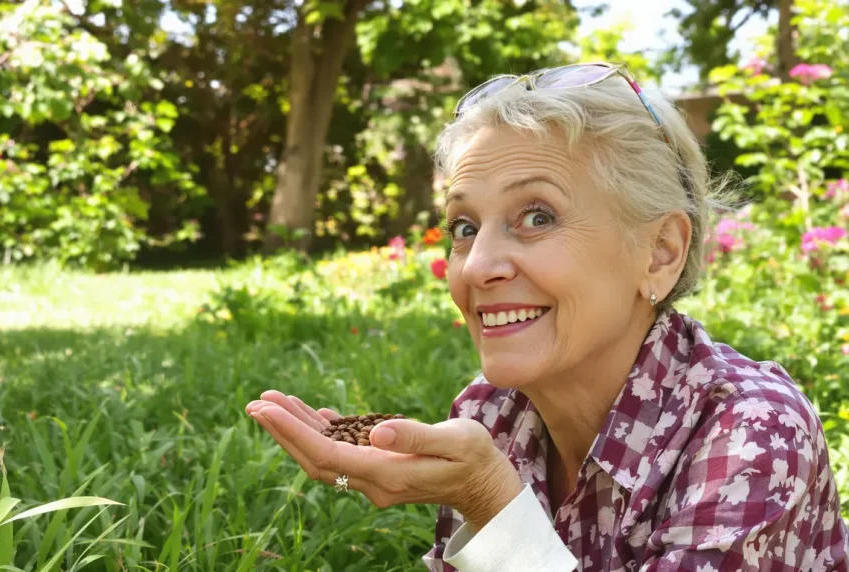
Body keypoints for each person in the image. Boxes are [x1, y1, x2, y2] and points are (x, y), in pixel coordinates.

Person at [244, 62, 849, 571]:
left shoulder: (752, 433)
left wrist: (491, 502)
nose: (477, 266)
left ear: (661, 252)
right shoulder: (488, 415)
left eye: (538, 217)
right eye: (464, 227)